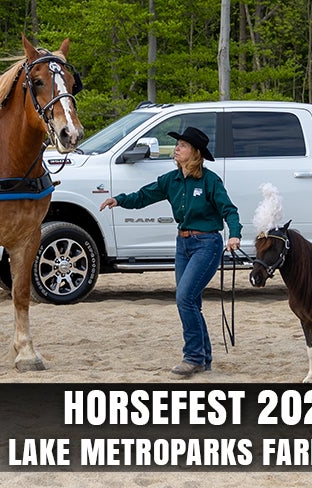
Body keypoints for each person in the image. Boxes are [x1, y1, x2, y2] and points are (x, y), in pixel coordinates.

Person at [99, 126, 242, 377]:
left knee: (184, 298)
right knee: (191, 302)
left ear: (195, 153)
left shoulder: (210, 181)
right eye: (178, 145)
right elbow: (144, 196)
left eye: (183, 146)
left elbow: (229, 210)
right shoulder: (170, 180)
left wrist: (235, 234)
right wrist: (119, 200)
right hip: (183, 245)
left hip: (207, 244)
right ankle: (204, 357)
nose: (177, 148)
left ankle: (193, 357)